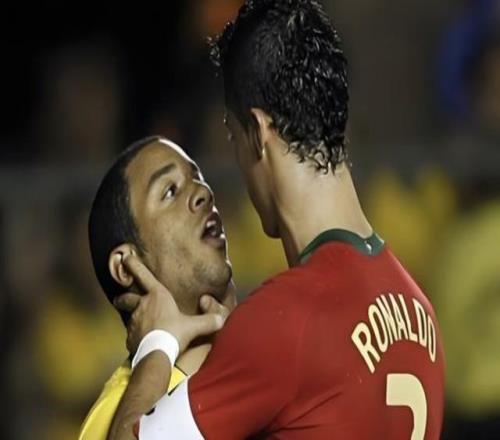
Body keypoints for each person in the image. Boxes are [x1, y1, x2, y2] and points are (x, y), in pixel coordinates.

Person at [111, 1, 445, 439]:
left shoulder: (288, 319)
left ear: (258, 132)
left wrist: (156, 343)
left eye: (233, 135)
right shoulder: (420, 313)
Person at [79, 136, 235, 440]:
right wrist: (158, 343)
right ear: (126, 267)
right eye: (170, 191)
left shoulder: (259, 359)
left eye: (198, 178)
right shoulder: (114, 414)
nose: (203, 193)